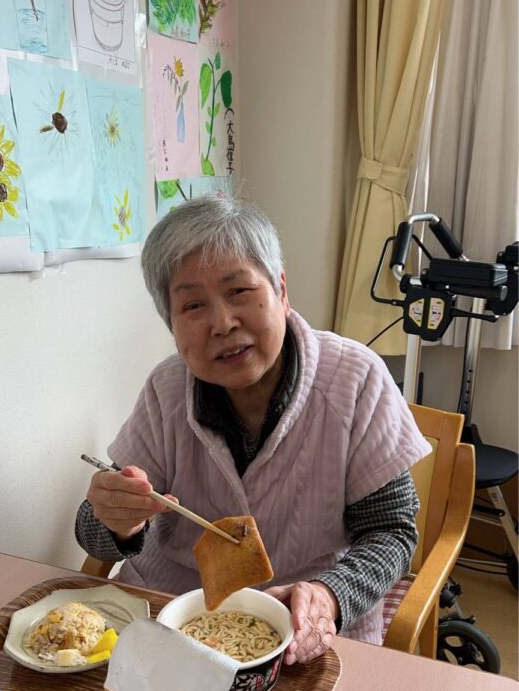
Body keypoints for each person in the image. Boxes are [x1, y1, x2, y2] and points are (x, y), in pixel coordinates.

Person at [76, 195, 430, 664]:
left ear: (281, 291)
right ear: (172, 326)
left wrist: (330, 595)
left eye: (239, 291)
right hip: (171, 614)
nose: (222, 323)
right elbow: (92, 532)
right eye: (193, 305)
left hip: (304, 623)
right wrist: (116, 521)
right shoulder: (167, 389)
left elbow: (391, 530)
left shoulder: (354, 379)